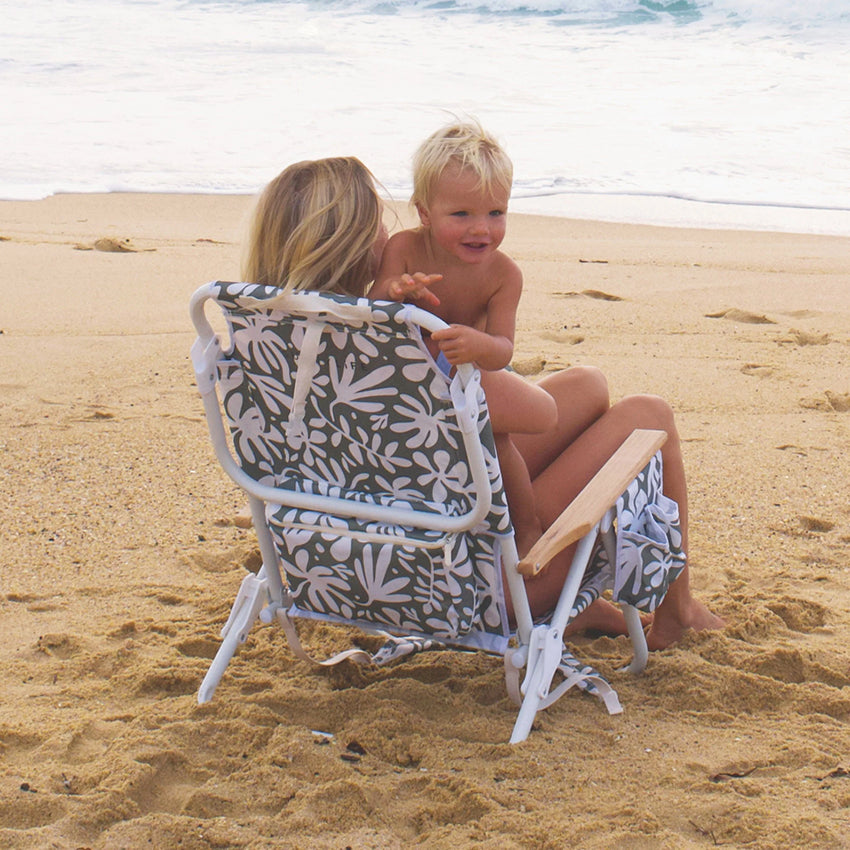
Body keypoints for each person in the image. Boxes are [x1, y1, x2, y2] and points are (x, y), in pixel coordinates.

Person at [242, 155, 723, 648]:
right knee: (649, 416)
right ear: (355, 242)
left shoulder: (267, 346)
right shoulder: (397, 351)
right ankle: (676, 608)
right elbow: (541, 415)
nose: (391, 233)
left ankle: (586, 613)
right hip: (468, 585)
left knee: (587, 386)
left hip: (348, 565)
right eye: (380, 222)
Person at [370, 121, 556, 558]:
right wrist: (394, 293)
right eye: (462, 215)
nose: (481, 230)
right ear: (424, 212)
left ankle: (526, 527)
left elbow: (503, 349)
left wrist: (478, 344)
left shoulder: (503, 274)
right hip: (415, 378)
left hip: (474, 375)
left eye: (496, 213)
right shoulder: (403, 249)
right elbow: (374, 306)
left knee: (500, 442)